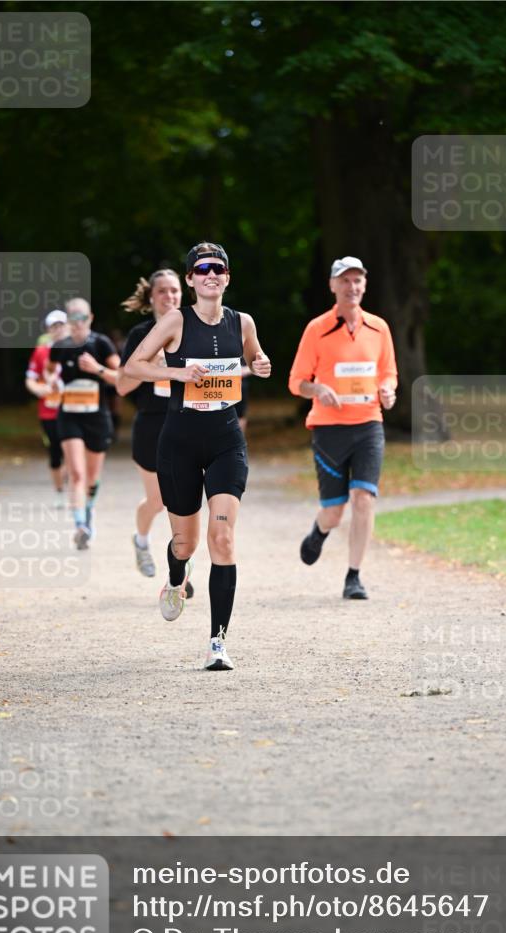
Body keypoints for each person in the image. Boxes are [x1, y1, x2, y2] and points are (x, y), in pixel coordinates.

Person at [123, 242, 271, 670]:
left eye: (218, 269)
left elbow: (255, 354)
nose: (211, 275)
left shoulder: (242, 322)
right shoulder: (175, 321)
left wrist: (260, 363)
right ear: (190, 279)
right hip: (179, 440)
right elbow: (133, 366)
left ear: (227, 277)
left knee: (222, 539)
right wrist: (177, 373)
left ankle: (217, 644)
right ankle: (175, 576)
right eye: (202, 269)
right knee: (185, 543)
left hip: (226, 438)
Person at [288, 256, 397, 600]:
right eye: (345, 281)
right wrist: (317, 389)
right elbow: (296, 382)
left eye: (358, 281)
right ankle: (319, 532)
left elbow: (389, 372)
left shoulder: (379, 328)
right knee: (334, 511)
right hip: (329, 428)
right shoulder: (316, 329)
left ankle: (354, 576)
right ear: (333, 285)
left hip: (368, 425)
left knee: (363, 498)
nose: (352, 287)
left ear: (365, 285)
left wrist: (389, 391)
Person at [117, 268, 193, 591]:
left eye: (174, 290)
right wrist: (154, 367)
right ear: (151, 297)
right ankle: (141, 539)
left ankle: (182, 570)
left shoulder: (193, 330)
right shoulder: (140, 335)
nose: (170, 297)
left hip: (187, 423)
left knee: (185, 502)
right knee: (160, 501)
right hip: (151, 426)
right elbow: (121, 386)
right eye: (162, 291)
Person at [45, 298, 120, 549]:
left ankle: (88, 512)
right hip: (70, 415)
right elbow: (49, 370)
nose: (78, 323)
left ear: (90, 318)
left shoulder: (101, 343)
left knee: (91, 477)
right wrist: (53, 382)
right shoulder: (60, 345)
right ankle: (79, 525)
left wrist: (97, 368)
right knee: (76, 473)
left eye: (82, 318)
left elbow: (121, 377)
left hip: (97, 417)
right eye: (73, 318)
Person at [25, 310, 67, 505]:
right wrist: (39, 389)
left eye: (61, 325)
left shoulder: (78, 348)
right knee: (55, 450)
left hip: (73, 407)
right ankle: (59, 492)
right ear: (49, 329)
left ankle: (73, 485)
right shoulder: (41, 351)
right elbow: (30, 380)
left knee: (74, 448)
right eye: (54, 326)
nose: (58, 329)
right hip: (49, 409)